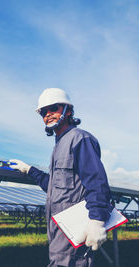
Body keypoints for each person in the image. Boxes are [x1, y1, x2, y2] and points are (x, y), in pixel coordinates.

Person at [10, 88, 112, 267]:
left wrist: (97, 220)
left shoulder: (80, 139)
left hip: (74, 227)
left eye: (53, 108)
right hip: (58, 228)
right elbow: (55, 187)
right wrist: (30, 170)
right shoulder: (59, 146)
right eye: (43, 112)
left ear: (68, 111)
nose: (48, 114)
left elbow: (96, 182)